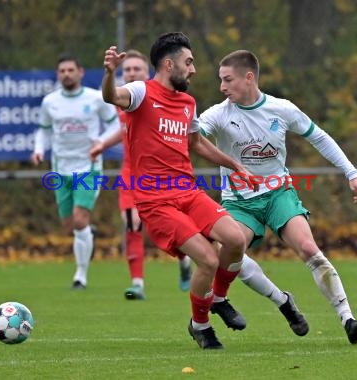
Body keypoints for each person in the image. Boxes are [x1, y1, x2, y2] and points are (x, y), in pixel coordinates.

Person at [198, 49, 357, 344]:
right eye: (221, 80)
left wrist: (352, 173)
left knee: (308, 248)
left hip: (279, 194)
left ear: (249, 77)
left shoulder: (282, 109)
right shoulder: (218, 113)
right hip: (239, 202)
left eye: (228, 80)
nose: (222, 87)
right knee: (227, 249)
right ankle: (281, 300)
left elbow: (319, 136)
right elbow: (192, 137)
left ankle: (348, 320)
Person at [99, 32, 257, 349]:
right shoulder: (142, 92)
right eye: (189, 62)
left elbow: (196, 143)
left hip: (188, 192)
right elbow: (111, 97)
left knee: (237, 239)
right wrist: (109, 73)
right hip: (155, 201)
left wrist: (235, 165)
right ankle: (200, 325)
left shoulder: (187, 103)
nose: (194, 69)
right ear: (169, 64)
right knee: (208, 260)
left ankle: (218, 299)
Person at [91, 49, 193, 301]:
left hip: (161, 177)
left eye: (136, 69)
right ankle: (137, 283)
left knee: (171, 228)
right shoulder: (123, 100)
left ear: (147, 72)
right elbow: (123, 129)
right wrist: (102, 145)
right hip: (130, 175)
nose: (131, 72)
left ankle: (184, 259)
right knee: (132, 226)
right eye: (127, 70)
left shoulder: (151, 96)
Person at [31, 54, 120, 290]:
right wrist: (39, 150)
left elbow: (114, 123)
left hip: (88, 167)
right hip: (61, 169)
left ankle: (80, 276)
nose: (66, 74)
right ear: (58, 74)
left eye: (71, 70)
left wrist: (100, 141)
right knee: (70, 225)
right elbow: (43, 130)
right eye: (62, 71)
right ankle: (87, 235)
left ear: (80, 72)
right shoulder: (50, 102)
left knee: (80, 218)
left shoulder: (95, 98)